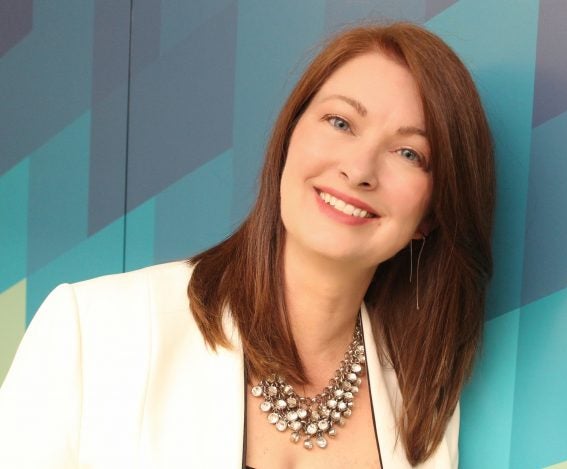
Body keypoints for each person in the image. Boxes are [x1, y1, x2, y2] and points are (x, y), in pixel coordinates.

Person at [0, 22, 494, 468]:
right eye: (341, 122)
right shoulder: (93, 328)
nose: (359, 170)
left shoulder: (421, 398)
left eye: (408, 153)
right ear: (289, 138)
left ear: (431, 214)